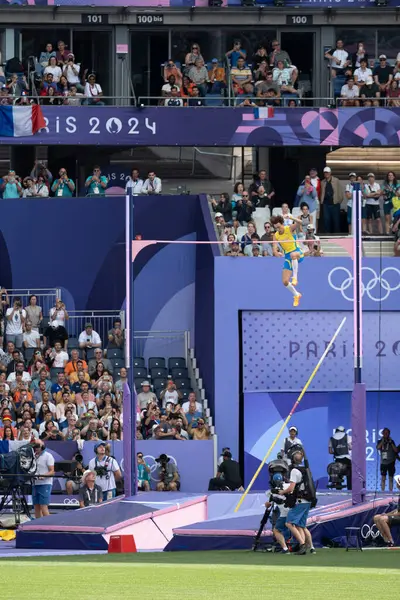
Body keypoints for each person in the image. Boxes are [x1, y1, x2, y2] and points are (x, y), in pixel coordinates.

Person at [278, 447, 316, 555]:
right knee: (300, 526)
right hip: (308, 501)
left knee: (289, 523)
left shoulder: (294, 471)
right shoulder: (305, 469)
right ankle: (305, 546)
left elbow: (291, 488)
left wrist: (282, 492)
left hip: (300, 501)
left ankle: (302, 544)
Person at [271, 214, 304, 307]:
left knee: (293, 255)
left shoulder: (288, 229)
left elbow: (300, 222)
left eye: (278, 225)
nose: (277, 228)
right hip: (287, 257)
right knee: (285, 282)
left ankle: (295, 278)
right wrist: (276, 253)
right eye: (275, 226)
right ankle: (296, 295)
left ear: (281, 223)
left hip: (298, 252)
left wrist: (291, 217)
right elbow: (274, 248)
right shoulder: (276, 236)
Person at [374, 474, 400, 547]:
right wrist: (387, 513)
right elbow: (397, 510)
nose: (396, 484)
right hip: (397, 515)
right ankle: (386, 540)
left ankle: (392, 541)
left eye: (397, 483)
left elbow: (398, 514)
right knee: (376, 517)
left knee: (382, 519)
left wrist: (387, 515)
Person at [31, 440, 55, 519]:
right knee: (36, 506)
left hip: (45, 483)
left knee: (43, 506)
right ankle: (38, 525)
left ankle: (49, 526)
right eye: (35, 446)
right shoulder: (33, 456)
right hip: (35, 483)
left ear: (43, 446)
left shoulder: (48, 456)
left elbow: (52, 471)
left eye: (38, 446)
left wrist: (43, 476)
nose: (36, 448)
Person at [320, 166, 343, 234]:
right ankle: (327, 234)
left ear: (330, 173)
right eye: (325, 173)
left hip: (335, 203)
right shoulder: (322, 182)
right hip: (326, 203)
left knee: (336, 220)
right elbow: (322, 192)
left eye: (327, 172)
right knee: (327, 220)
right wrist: (321, 201)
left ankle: (337, 234)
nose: (326, 174)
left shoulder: (336, 180)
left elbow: (340, 191)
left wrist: (339, 200)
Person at [329, 426, 352, 490]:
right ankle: (350, 488)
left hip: (337, 459)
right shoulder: (347, 436)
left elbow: (330, 451)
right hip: (346, 459)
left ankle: (338, 488)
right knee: (350, 474)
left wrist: (337, 451)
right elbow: (350, 447)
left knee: (338, 474)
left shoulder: (331, 438)